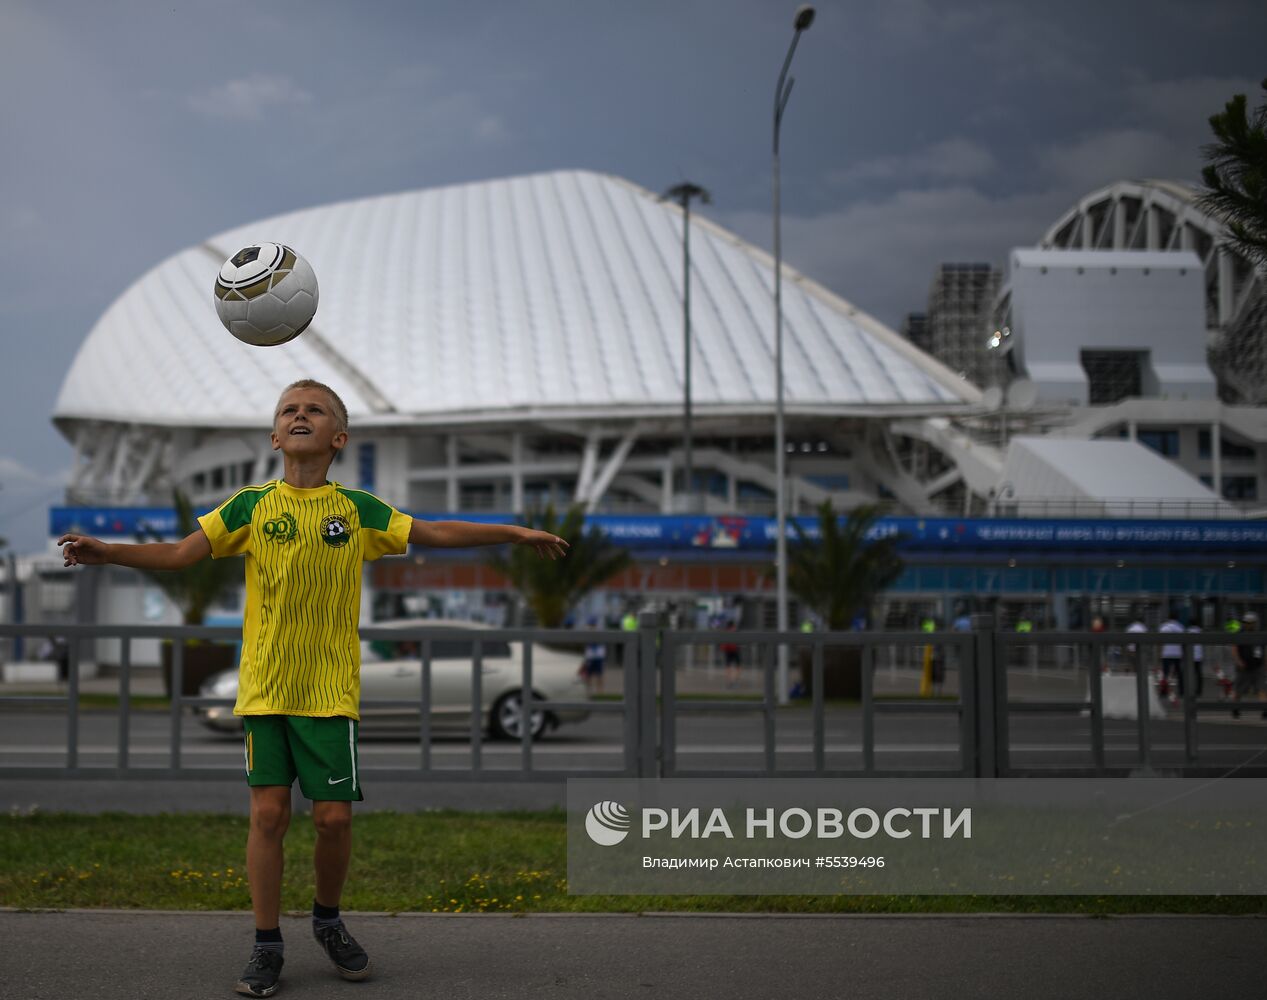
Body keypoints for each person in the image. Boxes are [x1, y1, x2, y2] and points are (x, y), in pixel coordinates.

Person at [58, 380, 568, 999]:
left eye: (315, 410)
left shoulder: (357, 511)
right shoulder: (249, 507)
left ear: (338, 438)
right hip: (266, 689)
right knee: (268, 815)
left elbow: (433, 533)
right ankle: (266, 943)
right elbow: (180, 554)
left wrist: (513, 534)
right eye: (289, 411)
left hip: (328, 692)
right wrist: (107, 552)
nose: (300, 416)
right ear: (275, 437)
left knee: (331, 820)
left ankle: (327, 920)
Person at [1231, 610, 1266, 719]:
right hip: (1244, 666)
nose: (1249, 625)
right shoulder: (1239, 634)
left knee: (1262, 688)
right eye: (1247, 623)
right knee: (1239, 689)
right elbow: (1234, 649)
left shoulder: (1259, 634)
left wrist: (1265, 664)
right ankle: (1235, 708)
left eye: (1251, 623)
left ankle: (1264, 710)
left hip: (1257, 666)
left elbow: (1264, 650)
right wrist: (1238, 661)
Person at [1158, 611, 1185, 703]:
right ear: (1177, 618)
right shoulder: (1181, 627)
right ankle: (1182, 691)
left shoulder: (1164, 627)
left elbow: (1160, 642)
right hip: (1177, 653)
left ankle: (1163, 691)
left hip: (1166, 653)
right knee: (1179, 673)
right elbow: (1183, 642)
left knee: (1165, 673)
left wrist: (1159, 653)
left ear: (1169, 618)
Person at [581, 619, 606, 695]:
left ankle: (600, 691)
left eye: (593, 625)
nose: (591, 627)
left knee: (599, 674)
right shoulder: (587, 633)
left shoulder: (599, 633)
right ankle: (589, 691)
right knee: (588, 674)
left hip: (598, 656)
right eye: (590, 625)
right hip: (590, 656)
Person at [719, 620, 741, 688]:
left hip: (728, 651)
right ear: (733, 625)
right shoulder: (735, 631)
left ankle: (729, 682)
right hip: (735, 650)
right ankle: (735, 681)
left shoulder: (725, 631)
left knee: (728, 666)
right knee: (738, 666)